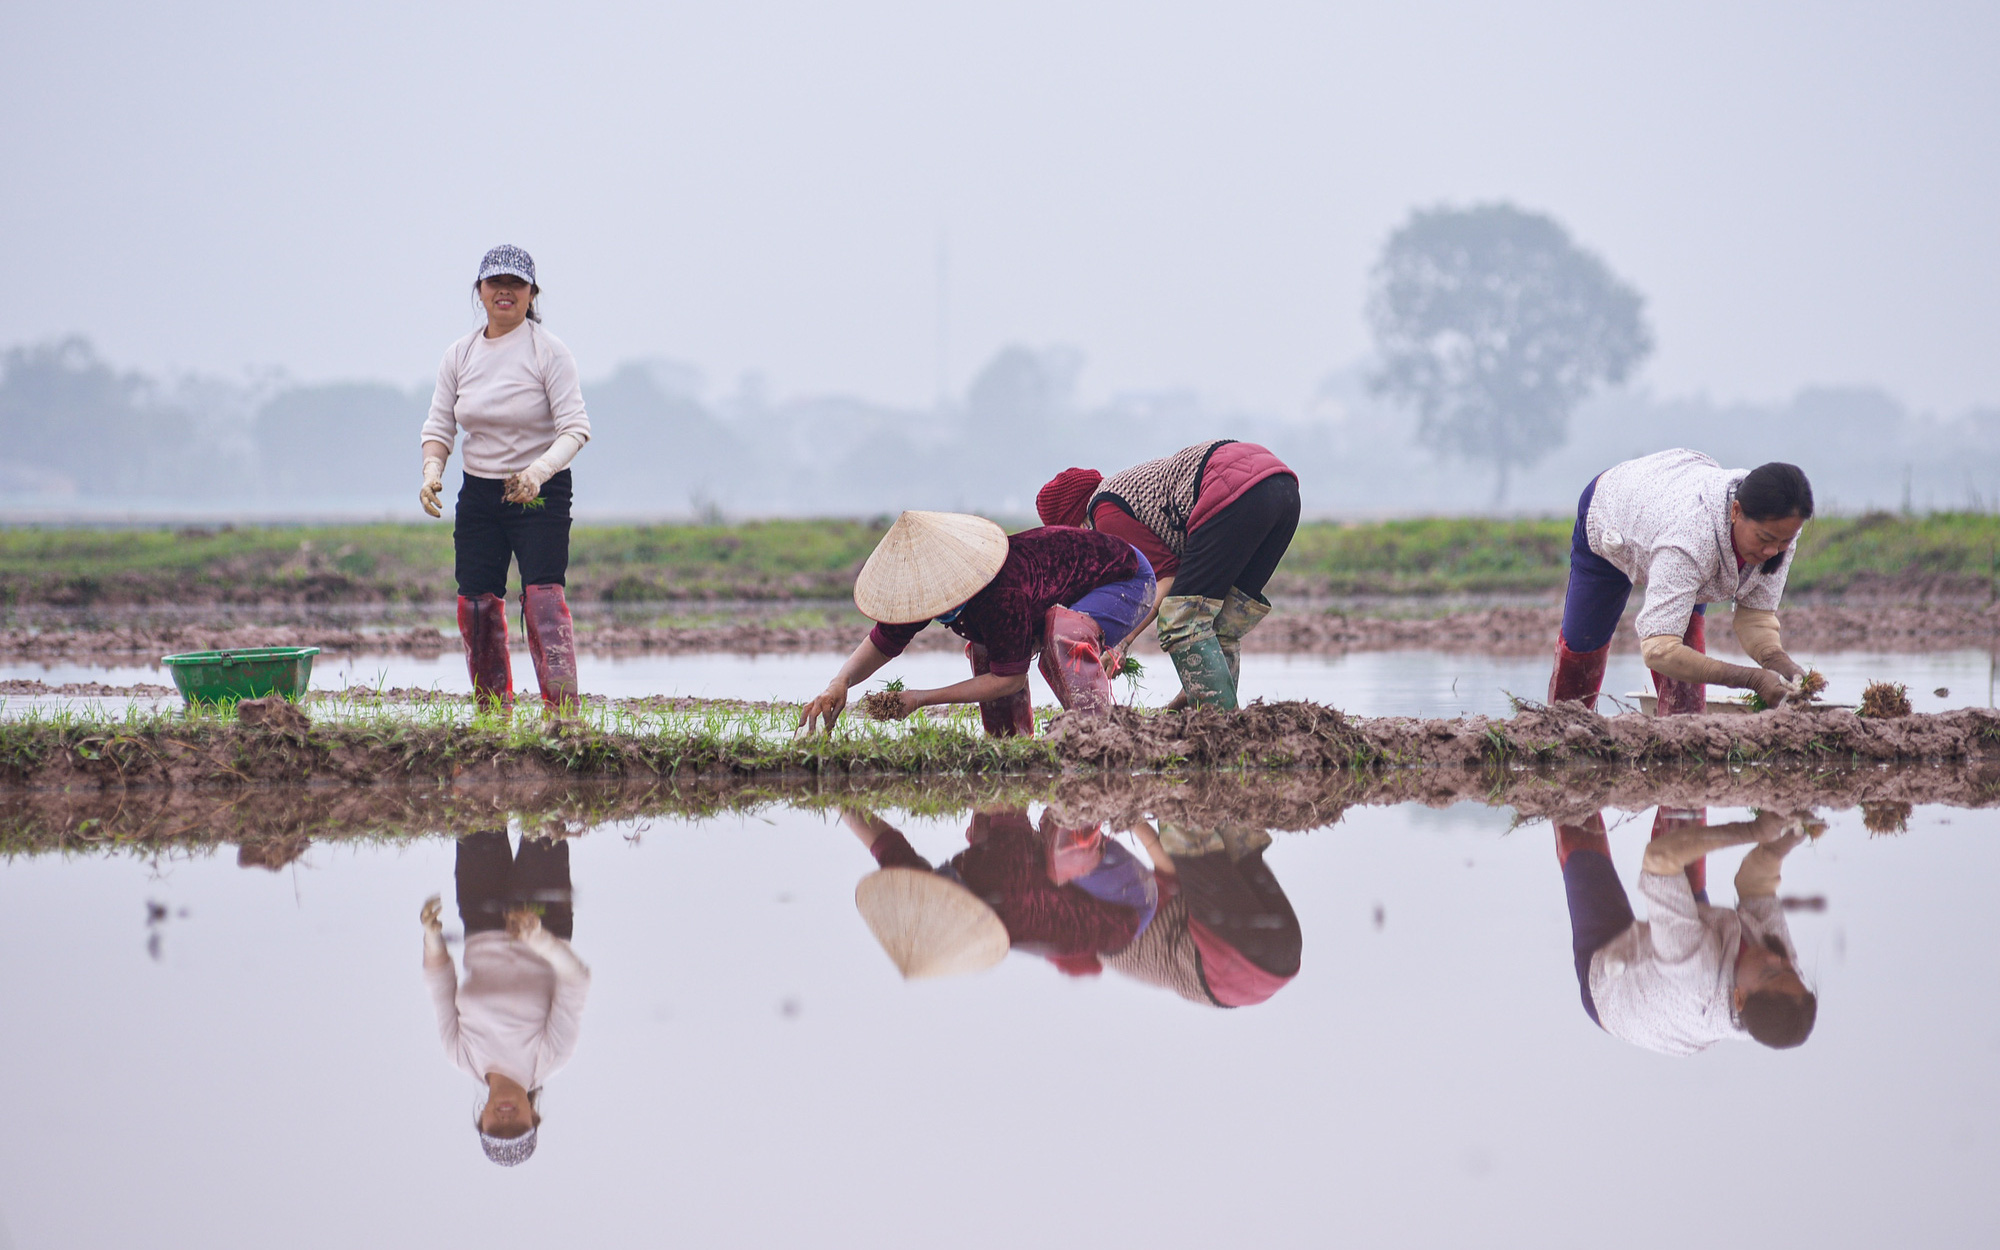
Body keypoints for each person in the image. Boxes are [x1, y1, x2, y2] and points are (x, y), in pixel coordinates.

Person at [418, 244, 591, 714]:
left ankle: (563, 716)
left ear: (532, 294)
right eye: (496, 283)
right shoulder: (460, 354)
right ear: (480, 291)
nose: (505, 292)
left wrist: (538, 472)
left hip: (538, 493)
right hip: (480, 492)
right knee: (475, 603)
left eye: (516, 284)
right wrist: (433, 471)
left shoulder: (549, 352)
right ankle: (493, 714)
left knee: (543, 600)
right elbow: (439, 426)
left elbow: (575, 428)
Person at [797, 511, 1155, 737]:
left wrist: (921, 699)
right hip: (1051, 594)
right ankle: (1010, 742)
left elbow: (1010, 678)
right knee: (987, 649)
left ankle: (1097, 733)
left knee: (1060, 633)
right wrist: (838, 682)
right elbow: (882, 641)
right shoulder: (928, 589)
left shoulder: (1001, 591)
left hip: (1126, 581)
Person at [1036, 440, 1298, 711]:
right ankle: (1211, 713)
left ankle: (1221, 726)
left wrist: (1122, 644)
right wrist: (1186, 696)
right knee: (1222, 625)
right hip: (1282, 490)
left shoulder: (1105, 513)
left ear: (1078, 526)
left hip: (1235, 488)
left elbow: (1166, 580)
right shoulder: (1121, 496)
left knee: (1180, 619)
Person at [1548, 451, 1814, 714]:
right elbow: (1659, 649)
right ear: (1736, 511)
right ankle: (1558, 728)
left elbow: (1755, 620)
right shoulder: (1690, 540)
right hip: (1612, 516)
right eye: (1764, 539)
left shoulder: (1780, 531)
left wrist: (1780, 663)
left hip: (1669, 507)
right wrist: (1751, 679)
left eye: (1784, 542)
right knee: (1583, 649)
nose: (1772, 551)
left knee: (1685, 699)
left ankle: (1679, 740)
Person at [1552, 808, 1818, 1055]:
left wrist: (1752, 831)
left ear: (1739, 998)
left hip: (1615, 988)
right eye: (1789, 969)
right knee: (1684, 809)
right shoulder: (1781, 974)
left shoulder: (1695, 972)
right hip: (1699, 945)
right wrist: (1785, 841)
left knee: (1575, 819)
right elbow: (1755, 886)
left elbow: (1658, 859)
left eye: (1769, 972)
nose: (1777, 959)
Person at [420, 830, 591, 1167]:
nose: (506, 1119)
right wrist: (539, 940)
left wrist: (431, 939)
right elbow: (577, 980)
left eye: (496, 1128)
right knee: (544, 813)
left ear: (482, 1119)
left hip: (481, 920)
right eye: (518, 1128)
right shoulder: (551, 1058)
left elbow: (440, 982)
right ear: (534, 1117)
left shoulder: (460, 1056)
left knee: (476, 808)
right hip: (543, 919)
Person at [843, 805, 1160, 979]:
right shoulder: (999, 880)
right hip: (1126, 904)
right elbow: (1009, 791)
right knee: (1060, 827)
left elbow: (883, 843)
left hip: (1061, 891)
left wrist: (829, 789)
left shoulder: (923, 894)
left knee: (992, 827)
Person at [1105, 817, 1301, 1008]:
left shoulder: (1110, 937)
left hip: (1284, 956)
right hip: (1233, 964)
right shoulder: (1113, 928)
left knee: (1235, 853)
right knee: (1187, 833)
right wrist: (1127, 817)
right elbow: (1168, 866)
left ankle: (1229, 808)